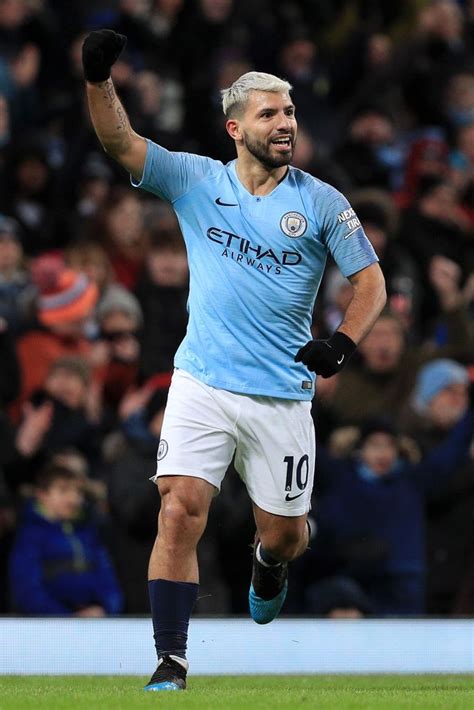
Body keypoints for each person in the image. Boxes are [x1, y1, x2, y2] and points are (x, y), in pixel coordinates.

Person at [82, 29, 386, 691]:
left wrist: (341, 342)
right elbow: (119, 142)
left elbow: (371, 283)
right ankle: (171, 659)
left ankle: (269, 565)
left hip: (281, 395)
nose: (286, 123)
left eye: (291, 112)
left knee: (281, 537)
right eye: (270, 113)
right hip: (203, 382)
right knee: (179, 508)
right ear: (235, 126)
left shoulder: (322, 202)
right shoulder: (195, 180)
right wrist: (98, 79)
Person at [8, 461, 123, 616]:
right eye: (63, 491)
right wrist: (65, 619)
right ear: (42, 495)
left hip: (95, 623)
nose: (73, 499)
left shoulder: (89, 533)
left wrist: (105, 608)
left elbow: (108, 579)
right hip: (48, 630)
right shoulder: (30, 536)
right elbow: (27, 590)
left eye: (78, 492)